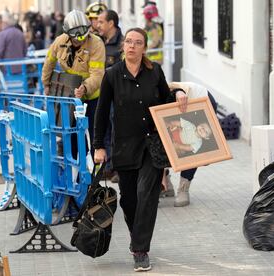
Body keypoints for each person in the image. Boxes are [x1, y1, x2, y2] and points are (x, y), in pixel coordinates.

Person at [93, 27, 188, 272]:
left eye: (137, 42)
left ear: (144, 47)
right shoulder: (112, 75)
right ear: (123, 46)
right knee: (130, 200)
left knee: (147, 195)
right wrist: (99, 147)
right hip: (124, 146)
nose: (132, 46)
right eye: (128, 42)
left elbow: (167, 98)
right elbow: (102, 113)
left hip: (152, 146)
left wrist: (178, 93)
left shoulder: (154, 71)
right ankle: (139, 238)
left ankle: (140, 250)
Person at [42, 10, 105, 157]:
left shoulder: (96, 44)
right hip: (70, 97)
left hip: (93, 97)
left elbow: (97, 74)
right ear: (68, 34)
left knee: (97, 136)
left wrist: (85, 87)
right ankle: (79, 173)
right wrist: (46, 84)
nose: (80, 41)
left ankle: (98, 172)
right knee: (74, 137)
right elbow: (48, 63)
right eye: (76, 40)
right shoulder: (60, 42)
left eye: (82, 39)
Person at [161, 82, 218, 207]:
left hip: (201, 102)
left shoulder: (161, 94)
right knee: (164, 142)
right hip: (175, 114)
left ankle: (183, 187)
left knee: (191, 152)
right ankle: (165, 183)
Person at [96, 9, 123, 182]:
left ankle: (119, 168)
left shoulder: (122, 43)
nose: (97, 25)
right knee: (104, 129)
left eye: (100, 22)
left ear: (111, 23)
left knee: (116, 131)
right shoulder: (99, 43)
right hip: (101, 95)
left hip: (118, 96)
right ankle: (108, 167)